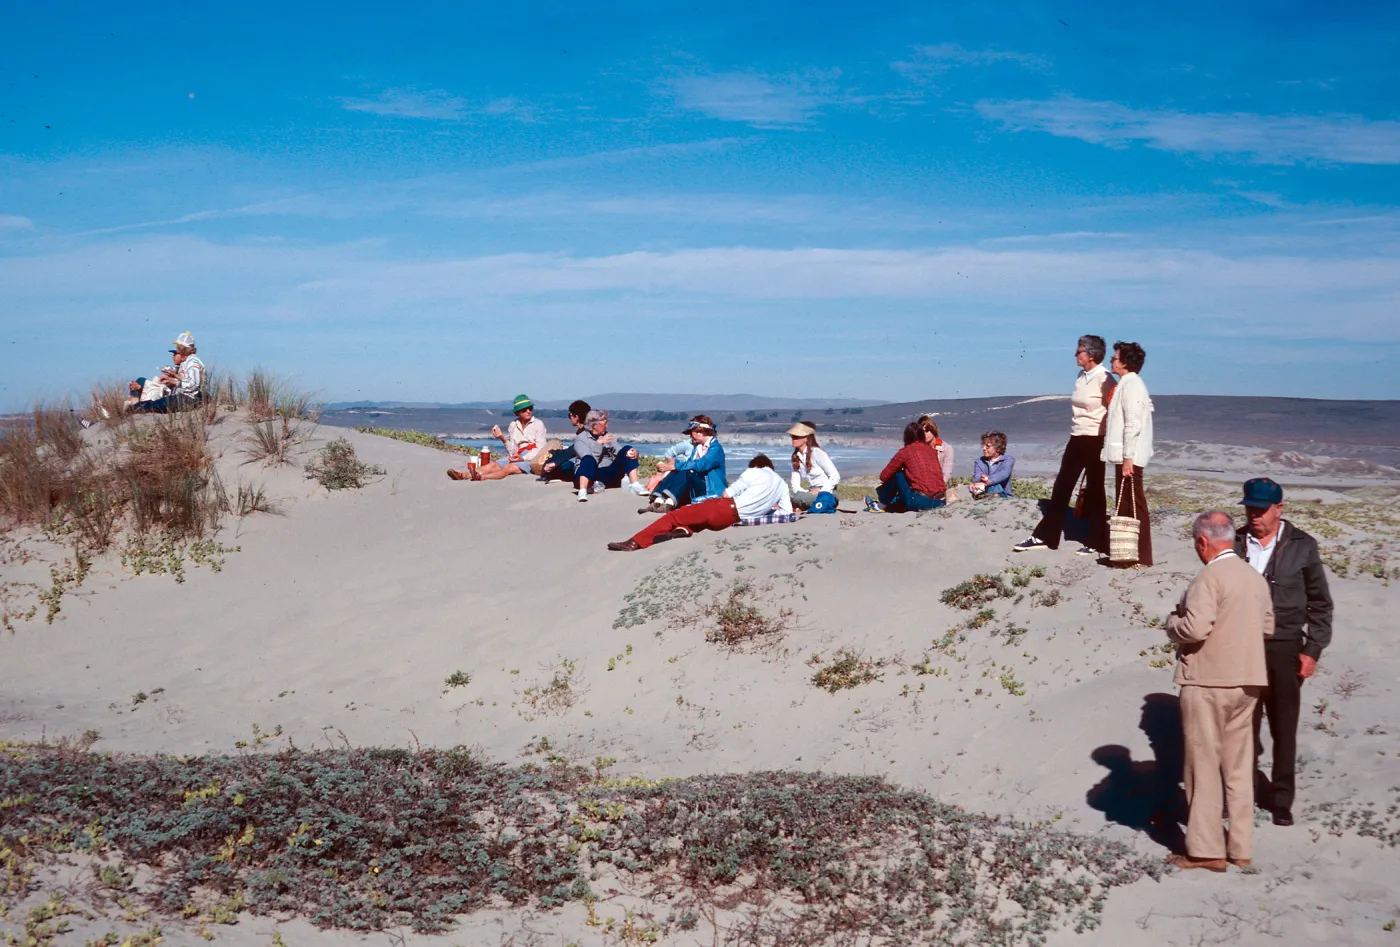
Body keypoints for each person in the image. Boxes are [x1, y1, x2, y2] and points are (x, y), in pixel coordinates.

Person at [1164, 511, 1273, 871]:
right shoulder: (1254, 578)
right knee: (1240, 767)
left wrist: (1172, 623)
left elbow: (1194, 628)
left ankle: (1206, 849)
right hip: (1249, 681)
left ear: (1202, 541)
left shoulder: (1208, 577)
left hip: (1208, 681)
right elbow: (1268, 626)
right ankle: (1241, 848)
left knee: (1203, 766)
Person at [1233, 477, 1334, 827]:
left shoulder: (1303, 546)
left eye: (1261, 509)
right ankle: (1240, 793)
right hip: (1241, 648)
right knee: (1241, 726)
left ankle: (1281, 800)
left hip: (1285, 647)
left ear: (1280, 508)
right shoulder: (1233, 543)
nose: (1254, 516)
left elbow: (1321, 604)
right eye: (1250, 508)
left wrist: (1312, 650)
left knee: (1283, 728)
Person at [1015, 335, 1116, 554]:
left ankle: (1097, 540)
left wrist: (1108, 438)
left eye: (1079, 351)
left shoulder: (1105, 378)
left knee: (1095, 491)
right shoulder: (1081, 376)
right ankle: (1045, 536)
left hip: (1095, 439)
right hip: (1076, 437)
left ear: (1091, 354)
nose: (1075, 355)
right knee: (1062, 487)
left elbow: (1115, 409)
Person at [608, 455, 791, 551]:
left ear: (756, 465)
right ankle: (683, 531)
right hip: (732, 520)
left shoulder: (754, 472)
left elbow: (727, 494)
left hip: (723, 508)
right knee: (696, 521)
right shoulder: (782, 484)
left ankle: (635, 542)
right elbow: (785, 512)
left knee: (674, 515)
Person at [1103, 341, 1154, 566]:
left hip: (1131, 455)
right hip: (1126, 454)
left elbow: (1132, 424)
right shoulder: (1126, 384)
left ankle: (1142, 556)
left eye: (1114, 358)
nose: (1111, 361)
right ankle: (1128, 554)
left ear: (1125, 362)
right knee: (1126, 503)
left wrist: (1128, 457)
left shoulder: (1132, 385)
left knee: (1134, 502)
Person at [448, 394, 546, 481]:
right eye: (524, 410)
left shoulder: (538, 424)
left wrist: (523, 458)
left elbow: (541, 448)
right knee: (494, 465)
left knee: (508, 468)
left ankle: (481, 477)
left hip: (533, 458)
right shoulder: (513, 425)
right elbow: (513, 450)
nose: (528, 411)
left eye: (530, 408)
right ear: (518, 412)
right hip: (518, 454)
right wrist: (502, 438)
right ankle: (463, 475)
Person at [645, 416, 726, 513]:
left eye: (692, 433)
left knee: (686, 471)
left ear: (701, 432)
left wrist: (675, 466)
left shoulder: (716, 449)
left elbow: (701, 464)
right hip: (696, 486)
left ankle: (669, 503)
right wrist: (672, 465)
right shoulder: (697, 448)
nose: (690, 437)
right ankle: (658, 500)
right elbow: (689, 464)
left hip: (711, 490)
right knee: (679, 470)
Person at [866, 421, 946, 513]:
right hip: (940, 501)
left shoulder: (905, 452)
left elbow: (884, 476)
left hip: (921, 501)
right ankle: (892, 503)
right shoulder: (931, 451)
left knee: (898, 475)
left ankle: (880, 506)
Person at [571, 409, 645, 501]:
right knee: (587, 459)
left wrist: (634, 453)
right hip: (587, 475)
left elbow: (620, 452)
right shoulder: (581, 439)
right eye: (604, 424)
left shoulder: (607, 436)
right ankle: (582, 491)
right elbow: (590, 460)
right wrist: (599, 444)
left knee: (627, 449)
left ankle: (635, 484)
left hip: (607, 473)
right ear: (594, 425)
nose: (607, 426)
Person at [132, 332, 204, 414]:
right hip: (185, 397)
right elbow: (185, 382)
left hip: (188, 398)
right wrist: (171, 378)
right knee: (158, 403)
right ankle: (135, 408)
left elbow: (193, 384)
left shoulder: (193, 363)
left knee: (157, 404)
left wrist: (175, 376)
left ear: (182, 348)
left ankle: (134, 409)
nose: (176, 349)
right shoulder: (187, 362)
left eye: (178, 347)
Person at [787, 421, 840, 510]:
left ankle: (796, 504)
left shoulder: (817, 453)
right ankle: (798, 503)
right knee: (785, 492)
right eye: (792, 436)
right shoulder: (796, 457)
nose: (793, 439)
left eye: (796, 437)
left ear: (806, 438)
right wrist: (807, 493)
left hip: (827, 494)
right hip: (810, 493)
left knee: (797, 498)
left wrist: (821, 491)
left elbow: (835, 476)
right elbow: (795, 486)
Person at [539, 400, 592, 482]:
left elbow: (572, 451)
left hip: (584, 469)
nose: (570, 418)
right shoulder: (588, 430)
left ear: (576, 417)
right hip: (590, 466)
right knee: (556, 457)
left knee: (563, 465)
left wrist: (555, 462)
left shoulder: (585, 433)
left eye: (570, 415)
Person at [969, 430, 1015, 498]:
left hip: (1004, 495)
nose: (984, 448)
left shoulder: (1008, 460)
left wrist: (988, 480)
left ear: (998, 449)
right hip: (983, 490)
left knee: (995, 486)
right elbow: (977, 477)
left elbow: (1004, 474)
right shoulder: (979, 461)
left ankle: (995, 497)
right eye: (983, 446)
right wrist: (975, 484)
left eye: (988, 446)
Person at [917, 416, 954, 485]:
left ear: (933, 430)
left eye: (927, 431)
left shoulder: (947, 448)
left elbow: (946, 474)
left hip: (939, 486)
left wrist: (935, 486)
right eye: (921, 432)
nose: (924, 434)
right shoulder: (917, 448)